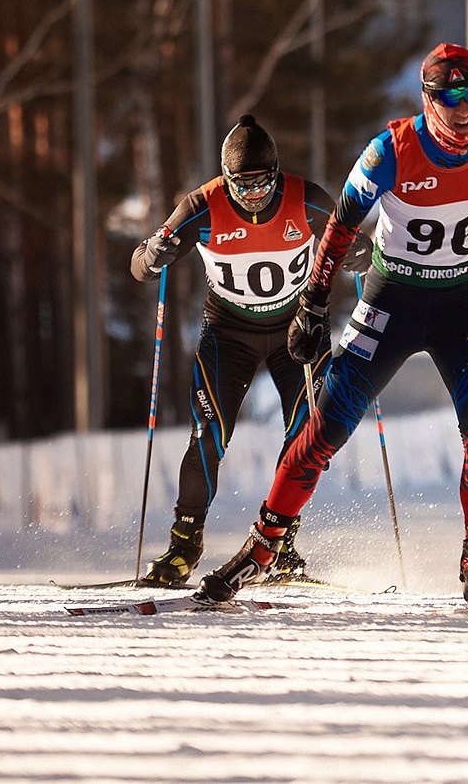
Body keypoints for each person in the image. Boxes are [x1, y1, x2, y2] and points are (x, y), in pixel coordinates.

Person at [198, 43, 468, 607]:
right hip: (393, 300)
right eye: (451, 98)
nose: (466, 111)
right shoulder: (390, 150)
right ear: (428, 100)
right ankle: (263, 547)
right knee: (326, 425)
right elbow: (343, 224)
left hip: (464, 301)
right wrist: (315, 303)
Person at [128, 114, 335, 588]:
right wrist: (152, 256)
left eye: (262, 182)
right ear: (226, 178)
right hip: (228, 333)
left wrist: (360, 253)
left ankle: (279, 542)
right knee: (208, 436)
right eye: (241, 184)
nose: (253, 193)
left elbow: (346, 236)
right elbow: (140, 265)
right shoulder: (202, 205)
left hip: (296, 332)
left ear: (276, 173)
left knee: (307, 435)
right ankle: (185, 544)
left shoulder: (305, 198)